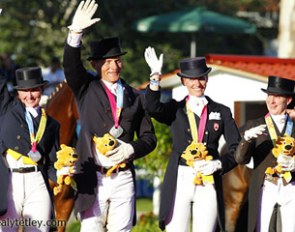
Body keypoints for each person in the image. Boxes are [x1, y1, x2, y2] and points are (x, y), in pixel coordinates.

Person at [63, 0, 156, 231]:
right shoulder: (86, 87)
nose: (112, 66)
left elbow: (149, 138)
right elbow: (71, 67)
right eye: (106, 62)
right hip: (94, 178)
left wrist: (131, 149)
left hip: (123, 177)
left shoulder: (135, 95)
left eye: (116, 60)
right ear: (95, 64)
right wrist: (75, 34)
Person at [144, 47, 241, 232]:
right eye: (191, 79)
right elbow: (152, 108)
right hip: (180, 176)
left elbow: (236, 148)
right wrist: (155, 77)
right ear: (183, 81)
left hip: (208, 176)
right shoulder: (175, 109)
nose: (197, 83)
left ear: (207, 78)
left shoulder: (221, 111)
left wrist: (219, 164)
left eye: (201, 78)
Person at [0, 67, 61, 232]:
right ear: (18, 92)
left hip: (37, 182)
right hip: (10, 183)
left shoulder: (52, 124)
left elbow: (51, 162)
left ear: (41, 89)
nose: (29, 95)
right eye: (24, 91)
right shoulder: (6, 109)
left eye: (34, 90)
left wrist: (63, 174)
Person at [235, 75, 295, 232]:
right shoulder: (254, 124)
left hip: (291, 187)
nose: (271, 101)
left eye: (277, 96)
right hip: (265, 186)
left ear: (288, 100)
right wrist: (246, 139)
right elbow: (240, 159)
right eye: (269, 95)